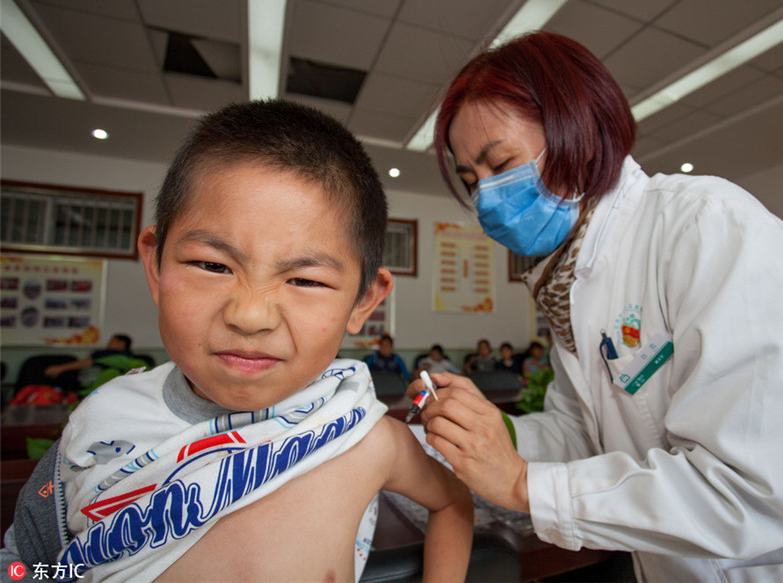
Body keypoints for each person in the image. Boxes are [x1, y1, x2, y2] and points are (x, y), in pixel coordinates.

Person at [409, 31, 783, 581]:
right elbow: (581, 434)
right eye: (472, 181)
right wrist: (489, 431)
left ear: (581, 135)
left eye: (501, 164)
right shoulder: (570, 276)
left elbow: (743, 493)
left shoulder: (708, 229)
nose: (487, 199)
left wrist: (524, 485)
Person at [1, 100, 473, 582]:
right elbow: (23, 563)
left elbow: (453, 503)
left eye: (305, 281)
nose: (250, 316)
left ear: (362, 302)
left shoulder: (366, 435)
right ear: (155, 265)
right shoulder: (98, 430)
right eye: (212, 265)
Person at [43, 334, 134, 379]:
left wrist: (60, 368)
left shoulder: (105, 354)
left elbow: (85, 363)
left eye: (112, 341)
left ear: (121, 343)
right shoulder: (132, 356)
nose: (109, 344)